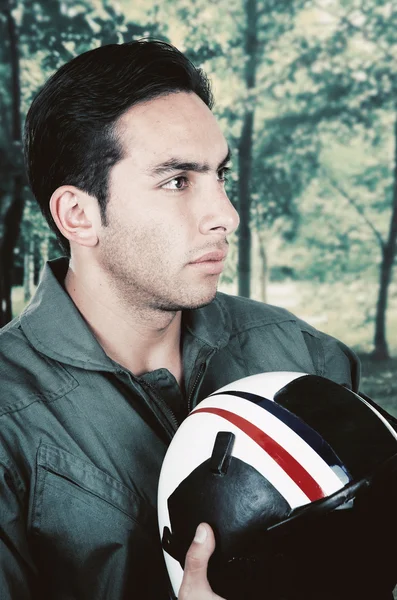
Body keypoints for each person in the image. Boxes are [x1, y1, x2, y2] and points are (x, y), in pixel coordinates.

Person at [0, 39, 359, 599]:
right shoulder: (9, 418)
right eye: (177, 181)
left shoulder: (301, 356)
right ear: (78, 215)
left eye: (220, 175)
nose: (226, 215)